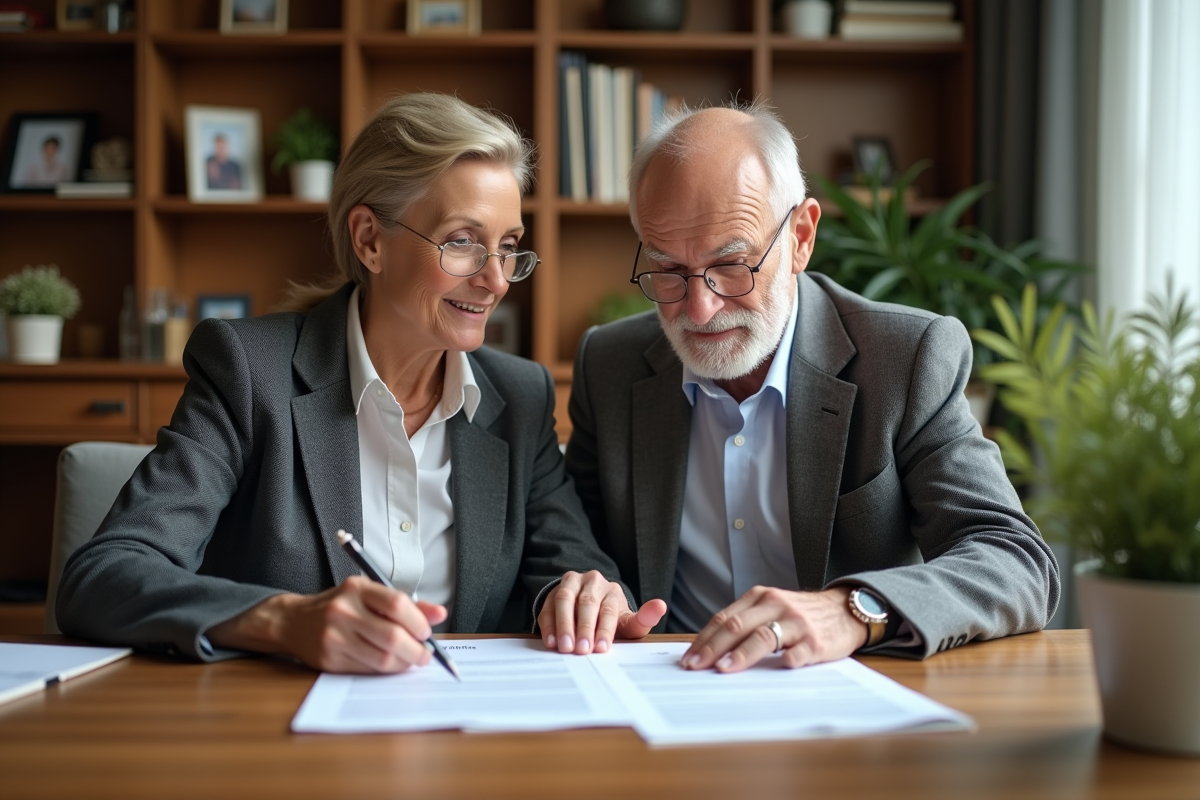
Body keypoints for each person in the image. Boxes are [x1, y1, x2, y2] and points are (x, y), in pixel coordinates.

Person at [58, 93, 663, 673]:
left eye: (507, 247)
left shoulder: (520, 397)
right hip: (276, 720)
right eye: (462, 242)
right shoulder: (248, 371)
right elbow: (105, 574)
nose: (497, 280)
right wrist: (283, 621)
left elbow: (570, 562)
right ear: (370, 240)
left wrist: (580, 594)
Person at [564, 101, 1060, 673]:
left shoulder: (905, 360)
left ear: (801, 237)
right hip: (666, 682)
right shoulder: (610, 364)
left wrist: (853, 609)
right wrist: (588, 589)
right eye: (670, 270)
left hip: (841, 690)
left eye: (733, 265)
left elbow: (1015, 560)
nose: (699, 309)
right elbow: (577, 542)